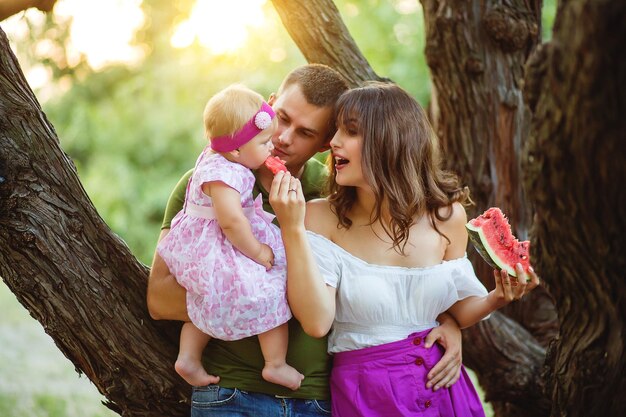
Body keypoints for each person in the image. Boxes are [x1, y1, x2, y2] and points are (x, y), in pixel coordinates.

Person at [147, 65, 464, 416]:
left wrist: (448, 324)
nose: (283, 137)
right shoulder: (210, 183)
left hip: (319, 397)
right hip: (231, 390)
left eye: (305, 133)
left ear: (326, 142)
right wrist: (261, 288)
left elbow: (390, 278)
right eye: (280, 118)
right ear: (266, 107)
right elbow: (160, 299)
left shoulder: (339, 193)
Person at [269, 82, 541, 417]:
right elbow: (316, 322)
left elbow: (459, 308)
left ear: (389, 141)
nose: (334, 142)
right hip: (366, 395)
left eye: (350, 131)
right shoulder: (320, 217)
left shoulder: (448, 217)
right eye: (337, 129)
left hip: (443, 389)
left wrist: (498, 296)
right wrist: (293, 229)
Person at [156, 84, 304, 390]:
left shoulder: (214, 158)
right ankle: (275, 363)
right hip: (222, 246)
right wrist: (259, 252)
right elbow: (232, 223)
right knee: (270, 288)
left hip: (204, 244)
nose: (271, 147)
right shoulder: (226, 174)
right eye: (264, 142)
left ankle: (188, 357)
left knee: (206, 300)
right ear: (236, 149)